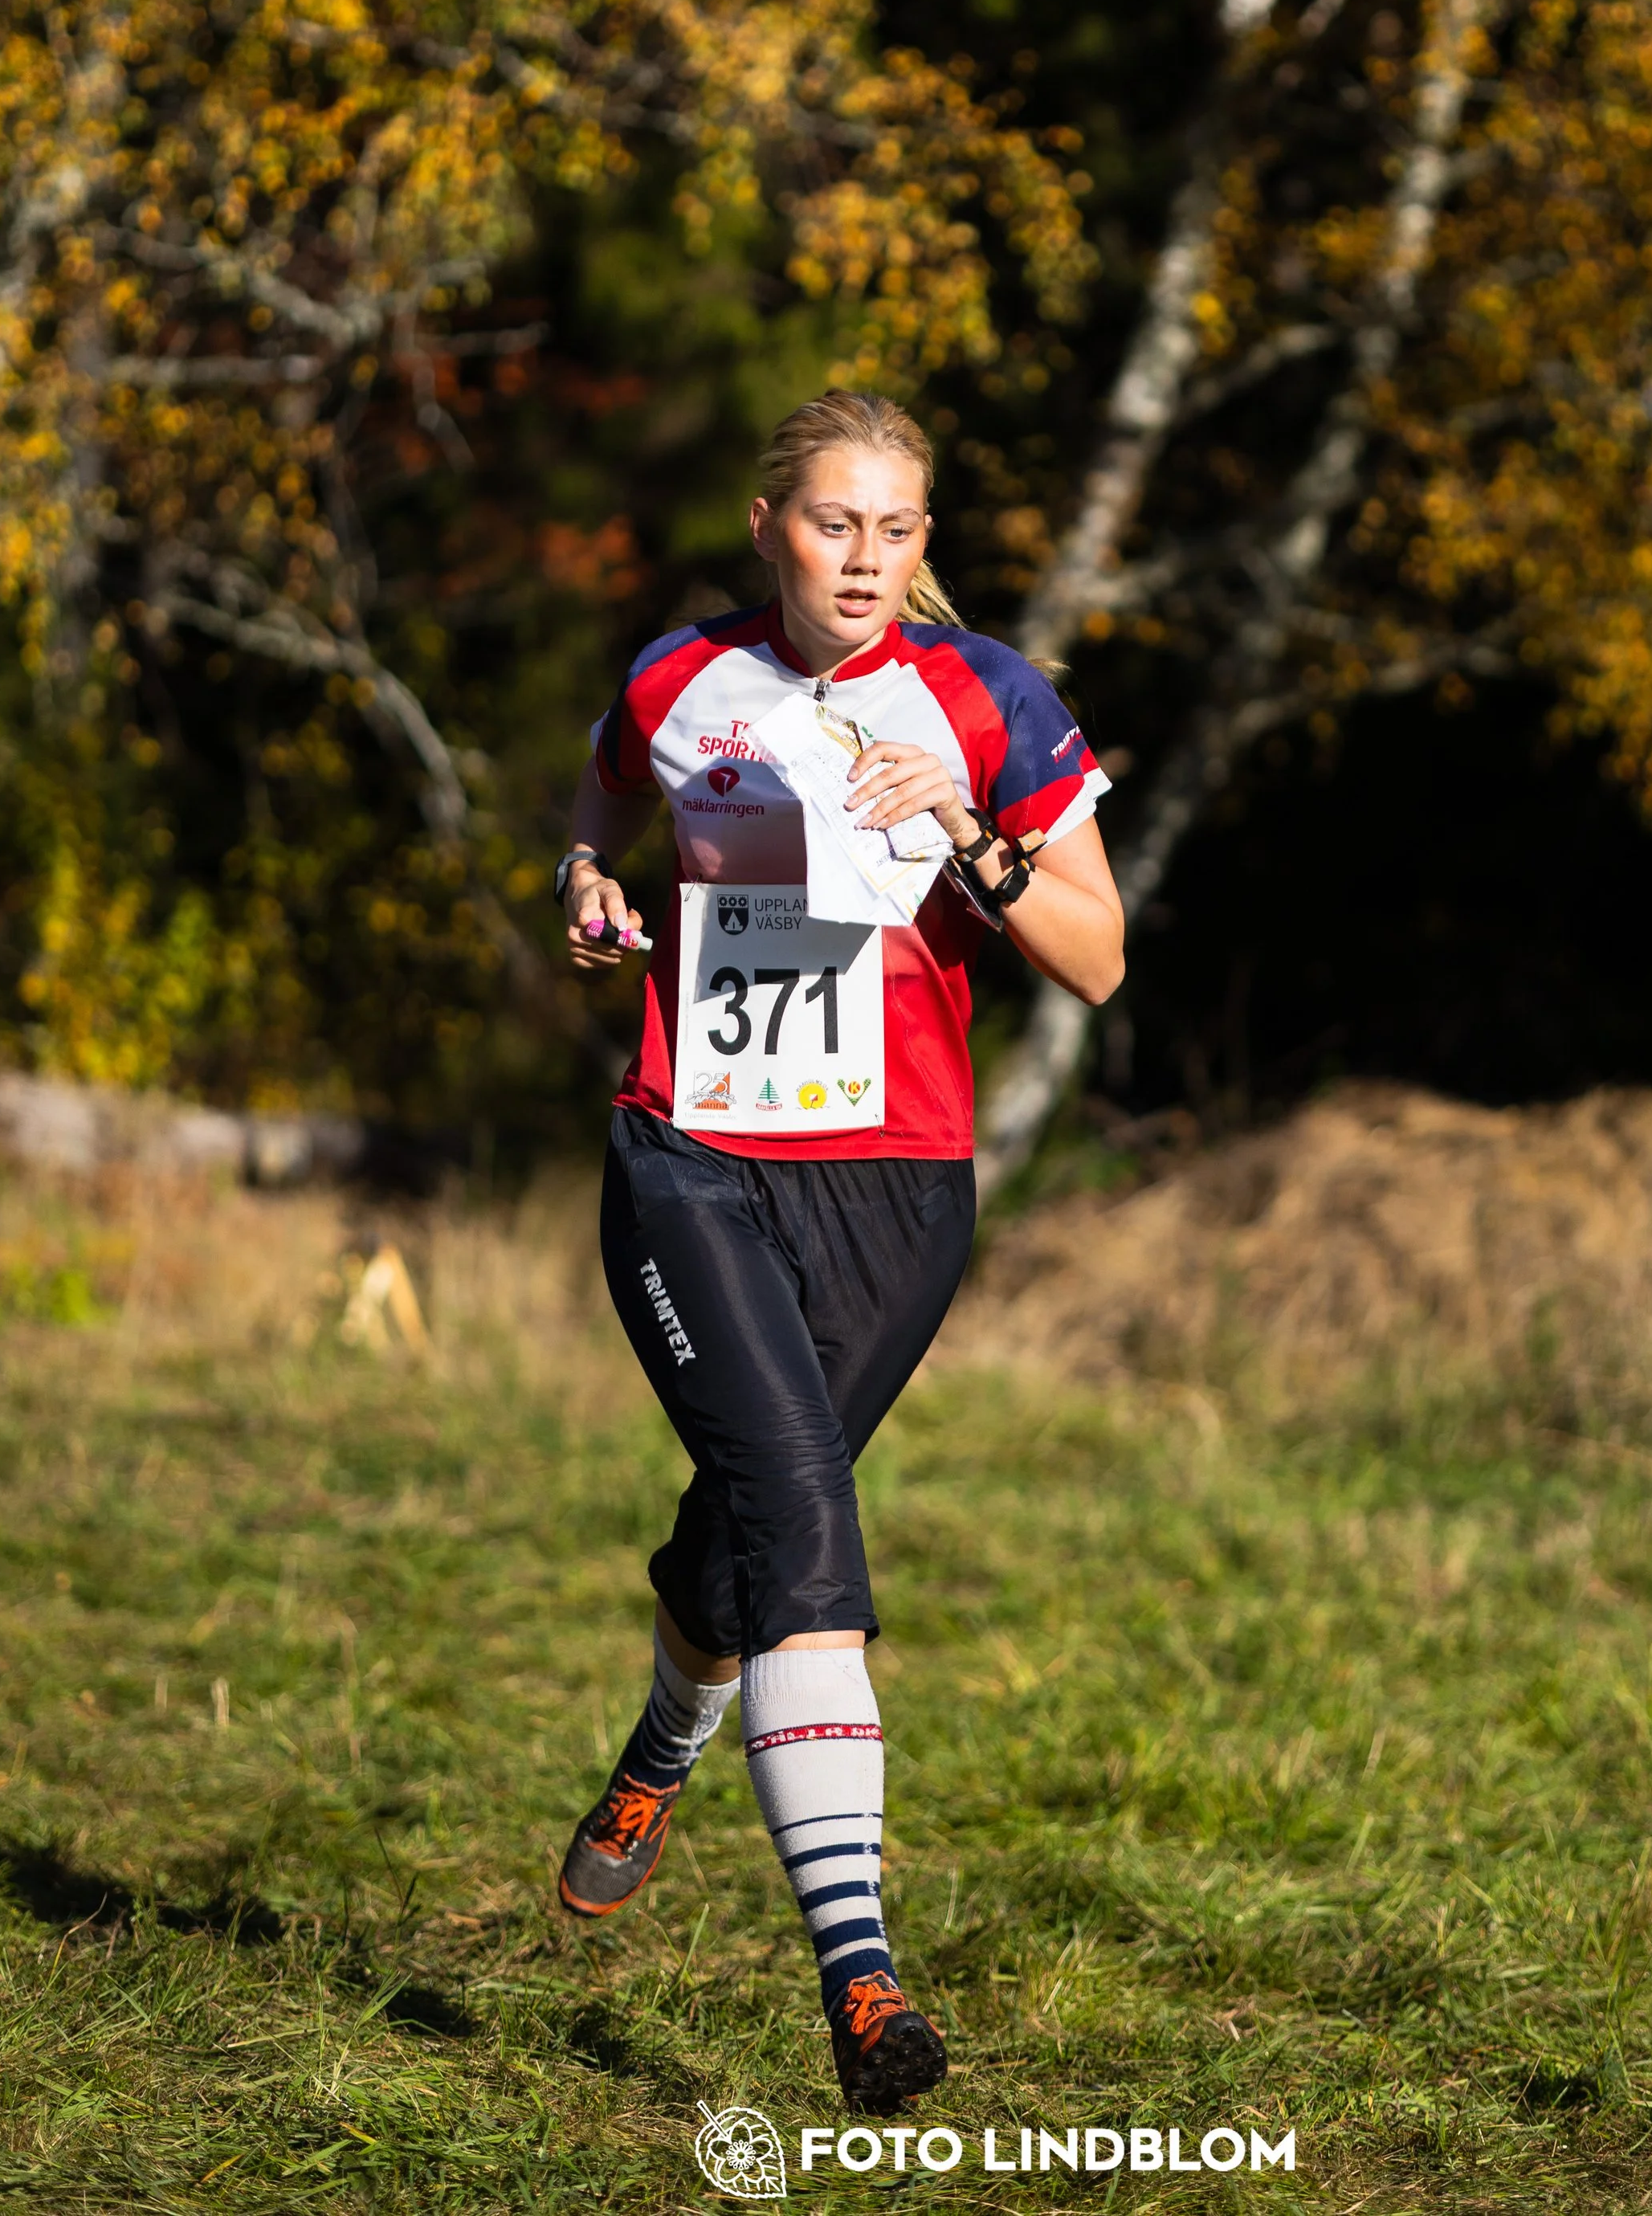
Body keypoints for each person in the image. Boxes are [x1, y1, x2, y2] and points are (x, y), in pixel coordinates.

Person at [550, 390, 1125, 2112]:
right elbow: (590, 811)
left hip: (897, 1188)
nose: (862, 557)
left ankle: (664, 1741)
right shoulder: (675, 679)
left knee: (746, 1527)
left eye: (894, 529)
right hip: (693, 1158)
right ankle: (863, 1979)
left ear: (922, 540)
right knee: (804, 1515)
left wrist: (963, 822)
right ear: (767, 524)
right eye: (830, 523)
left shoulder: (985, 698)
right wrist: (586, 888)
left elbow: (1094, 959)